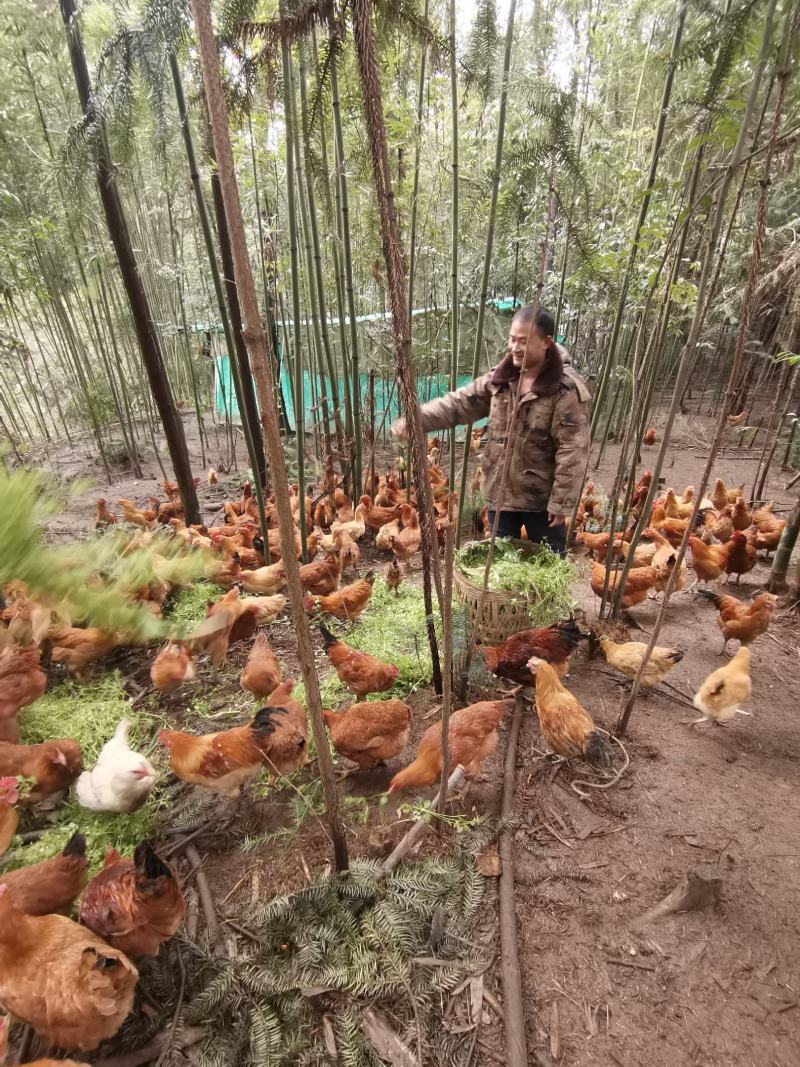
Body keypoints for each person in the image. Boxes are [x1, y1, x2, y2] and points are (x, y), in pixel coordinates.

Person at [391, 304, 589, 554]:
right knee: (499, 565)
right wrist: (416, 420)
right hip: (500, 494)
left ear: (546, 342)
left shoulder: (564, 390)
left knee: (546, 568)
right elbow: (460, 403)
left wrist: (561, 502)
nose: (515, 347)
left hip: (542, 502)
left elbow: (573, 448)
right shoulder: (501, 379)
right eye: (512, 339)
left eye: (523, 341)